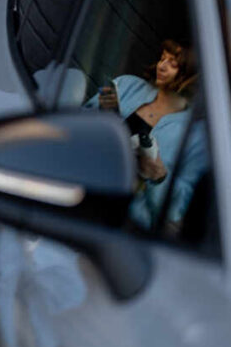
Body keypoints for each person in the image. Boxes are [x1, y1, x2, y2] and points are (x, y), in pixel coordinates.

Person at [86, 39, 208, 233]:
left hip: (128, 225)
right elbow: (78, 129)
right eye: (162, 58)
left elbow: (180, 215)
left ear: (191, 76)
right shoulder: (127, 85)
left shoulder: (196, 136)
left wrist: (159, 176)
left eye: (173, 63)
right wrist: (102, 119)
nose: (162, 66)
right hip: (86, 191)